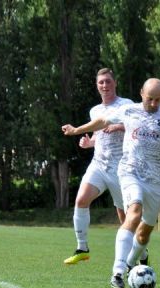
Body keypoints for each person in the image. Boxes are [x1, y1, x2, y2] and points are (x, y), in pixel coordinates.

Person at [62, 78, 160, 288]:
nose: (153, 104)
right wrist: (77, 130)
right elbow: (102, 122)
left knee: (144, 233)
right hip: (130, 171)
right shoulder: (128, 110)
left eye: (157, 100)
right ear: (141, 93)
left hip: (156, 180)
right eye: (150, 99)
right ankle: (117, 272)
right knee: (134, 211)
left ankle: (130, 265)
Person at [62, 68, 146, 266]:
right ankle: (82, 248)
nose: (105, 85)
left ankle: (142, 255)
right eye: (101, 82)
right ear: (97, 85)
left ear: (115, 83)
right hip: (99, 164)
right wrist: (90, 143)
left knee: (125, 218)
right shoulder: (95, 110)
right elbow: (98, 134)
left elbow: (139, 125)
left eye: (108, 81)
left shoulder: (126, 104)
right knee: (81, 200)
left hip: (121, 167)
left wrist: (118, 126)